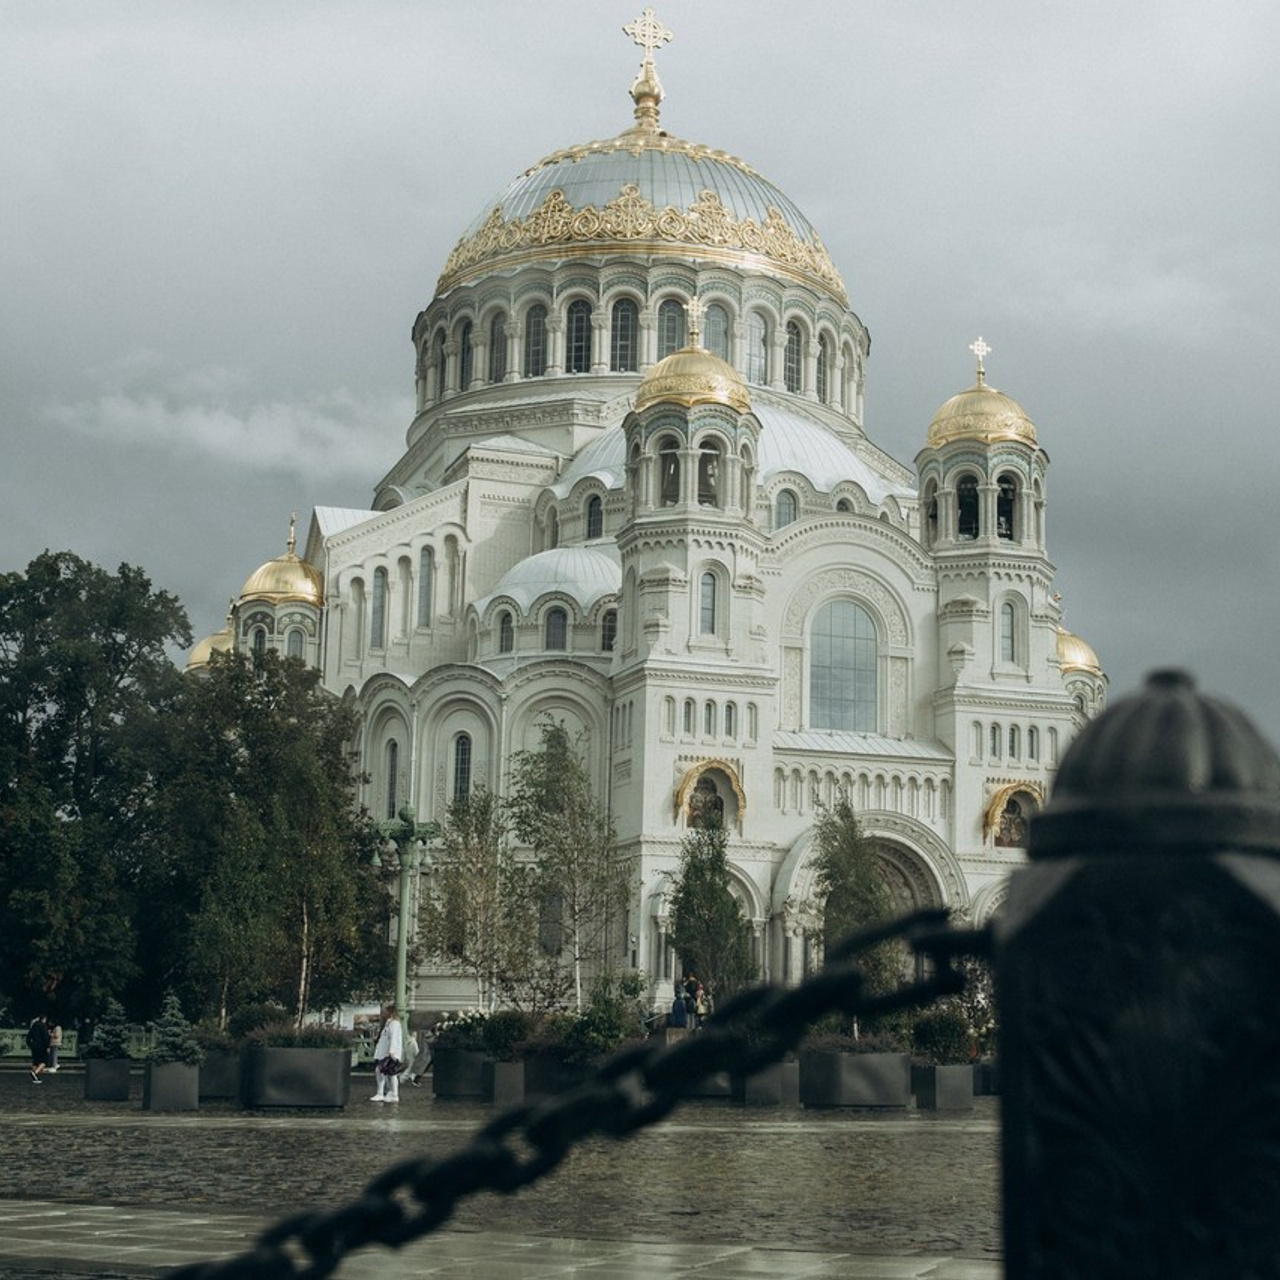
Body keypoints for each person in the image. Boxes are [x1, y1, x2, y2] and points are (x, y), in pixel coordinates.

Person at [369, 1004, 403, 1103]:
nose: (383, 1013)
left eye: (385, 1011)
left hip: (389, 1053)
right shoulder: (389, 1023)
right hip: (384, 1052)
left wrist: (391, 1051)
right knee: (387, 1073)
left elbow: (394, 1038)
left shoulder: (394, 1024)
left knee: (388, 1072)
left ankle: (389, 1094)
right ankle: (390, 1093)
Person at [406, 1021, 435, 1086]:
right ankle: (416, 1079)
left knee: (424, 1068)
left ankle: (416, 1079)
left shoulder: (427, 1035)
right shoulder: (431, 1037)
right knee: (424, 1068)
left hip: (428, 1055)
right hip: (429, 1055)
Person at [26, 1015, 51, 1084]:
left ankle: (35, 1077)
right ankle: (35, 1072)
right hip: (42, 1046)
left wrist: (30, 1044)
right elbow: (45, 1037)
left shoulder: (34, 1026)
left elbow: (28, 1036)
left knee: (35, 1061)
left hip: (34, 1046)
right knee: (44, 1061)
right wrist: (47, 1046)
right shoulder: (43, 1026)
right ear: (44, 1019)